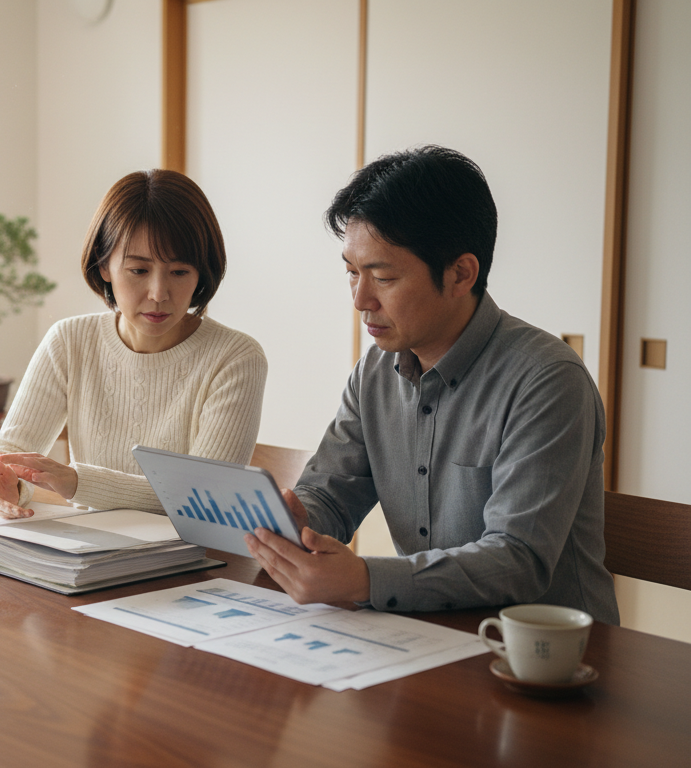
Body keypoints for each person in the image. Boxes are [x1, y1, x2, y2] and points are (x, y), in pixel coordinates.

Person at [244, 146, 619, 625]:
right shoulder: (375, 373)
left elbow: (518, 559)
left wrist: (365, 579)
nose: (361, 300)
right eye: (351, 274)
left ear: (461, 273)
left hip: (549, 660)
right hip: (426, 637)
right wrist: (300, 523)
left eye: (382, 276)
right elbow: (331, 495)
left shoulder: (546, 381)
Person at [0, 169, 267, 519]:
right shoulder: (69, 341)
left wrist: (79, 482)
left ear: (202, 272)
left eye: (179, 272)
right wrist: (3, 480)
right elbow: (10, 449)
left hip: (188, 558)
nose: (159, 294)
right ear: (104, 266)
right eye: (139, 271)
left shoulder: (235, 358)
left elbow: (207, 496)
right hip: (87, 551)